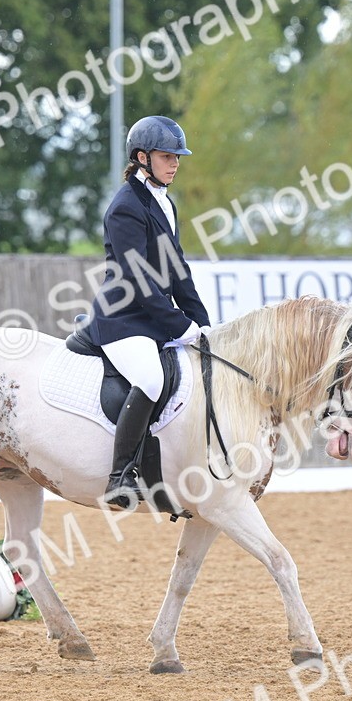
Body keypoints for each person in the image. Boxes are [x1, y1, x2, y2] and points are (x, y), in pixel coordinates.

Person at [85, 116, 211, 507]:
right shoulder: (125, 206)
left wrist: (203, 324)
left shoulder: (164, 202)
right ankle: (120, 476)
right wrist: (179, 324)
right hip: (122, 318)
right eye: (166, 156)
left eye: (177, 157)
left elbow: (177, 271)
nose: (175, 163)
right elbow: (138, 280)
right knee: (152, 378)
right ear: (142, 157)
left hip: (150, 318)